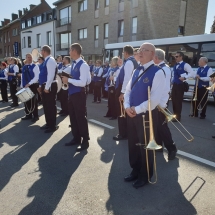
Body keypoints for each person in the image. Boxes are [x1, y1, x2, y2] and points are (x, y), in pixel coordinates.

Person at [123, 42, 166, 189]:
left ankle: (145, 175)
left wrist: (136, 109)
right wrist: (127, 107)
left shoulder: (158, 72)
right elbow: (128, 91)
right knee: (133, 144)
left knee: (145, 146)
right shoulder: (136, 70)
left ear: (153, 55)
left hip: (145, 115)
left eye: (145, 50)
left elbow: (154, 100)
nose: (140, 52)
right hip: (132, 114)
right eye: (140, 50)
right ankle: (135, 170)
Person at [62, 43, 91, 152]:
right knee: (73, 117)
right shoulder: (74, 64)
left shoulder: (83, 65)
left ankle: (85, 141)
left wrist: (68, 80)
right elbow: (87, 80)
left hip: (79, 94)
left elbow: (84, 82)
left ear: (74, 51)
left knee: (80, 118)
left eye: (70, 50)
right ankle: (76, 138)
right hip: (73, 93)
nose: (69, 52)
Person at [153, 48, 177, 160]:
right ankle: (158, 146)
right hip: (158, 101)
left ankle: (172, 148)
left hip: (161, 102)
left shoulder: (164, 69)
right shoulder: (161, 68)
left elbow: (165, 89)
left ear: (156, 58)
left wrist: (161, 104)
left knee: (162, 126)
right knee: (157, 125)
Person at [113, 45, 138, 140]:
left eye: (123, 53)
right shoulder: (134, 61)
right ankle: (127, 132)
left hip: (125, 90)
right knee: (126, 112)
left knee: (122, 112)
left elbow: (127, 78)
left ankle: (122, 134)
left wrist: (122, 93)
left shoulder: (129, 62)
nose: (123, 54)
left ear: (126, 53)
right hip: (130, 90)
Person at [38, 45, 58, 133]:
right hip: (45, 85)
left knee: (50, 106)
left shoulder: (50, 60)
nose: (40, 52)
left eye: (41, 50)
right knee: (46, 106)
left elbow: (50, 75)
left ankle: (52, 125)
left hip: (49, 85)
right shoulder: (46, 60)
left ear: (44, 51)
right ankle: (48, 123)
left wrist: (46, 88)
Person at [171, 51, 194, 121]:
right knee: (173, 101)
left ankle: (178, 116)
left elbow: (192, 73)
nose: (175, 58)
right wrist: (172, 81)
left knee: (178, 101)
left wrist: (185, 77)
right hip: (175, 85)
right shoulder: (175, 65)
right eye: (175, 56)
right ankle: (174, 115)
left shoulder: (185, 65)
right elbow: (173, 75)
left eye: (177, 56)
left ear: (181, 57)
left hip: (180, 85)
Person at [21, 53, 40, 122]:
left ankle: (35, 116)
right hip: (25, 86)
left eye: (30, 57)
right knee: (26, 101)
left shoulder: (35, 66)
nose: (29, 58)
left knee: (33, 101)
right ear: (26, 58)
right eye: (28, 57)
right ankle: (28, 114)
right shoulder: (24, 67)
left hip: (32, 86)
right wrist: (21, 86)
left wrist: (29, 84)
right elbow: (22, 77)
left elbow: (37, 77)